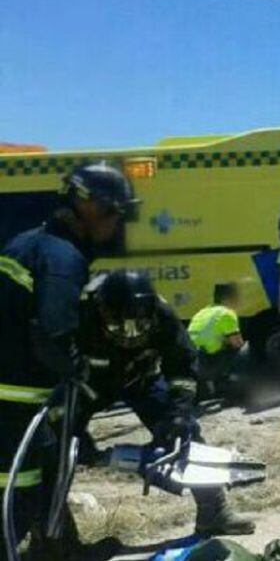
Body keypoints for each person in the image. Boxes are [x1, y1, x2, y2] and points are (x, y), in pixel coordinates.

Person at [0, 162, 137, 559]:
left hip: (11, 396)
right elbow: (53, 333)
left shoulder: (24, 243)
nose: (118, 224)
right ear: (92, 208)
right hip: (15, 403)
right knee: (18, 499)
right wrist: (81, 371)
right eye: (116, 213)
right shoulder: (64, 258)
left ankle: (60, 548)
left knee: (46, 477)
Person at [78, 270, 255, 535]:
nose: (129, 336)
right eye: (119, 327)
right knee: (61, 446)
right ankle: (52, 535)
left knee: (188, 435)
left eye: (139, 327)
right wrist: (73, 427)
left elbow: (182, 366)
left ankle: (213, 512)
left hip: (141, 378)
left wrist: (180, 412)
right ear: (103, 312)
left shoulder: (162, 314)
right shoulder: (80, 314)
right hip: (88, 385)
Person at [188, 283, 248, 398]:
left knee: (219, 347)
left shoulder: (203, 311)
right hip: (205, 362)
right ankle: (235, 390)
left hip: (191, 362)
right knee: (244, 350)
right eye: (236, 297)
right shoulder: (226, 313)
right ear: (227, 298)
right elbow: (237, 344)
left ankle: (205, 391)